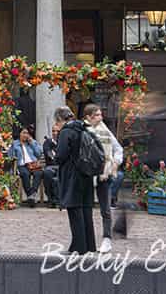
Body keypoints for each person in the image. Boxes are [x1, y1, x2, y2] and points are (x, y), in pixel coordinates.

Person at [54, 106, 96, 254]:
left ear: (60, 119)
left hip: (73, 176)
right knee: (86, 211)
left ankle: (79, 248)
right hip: (87, 174)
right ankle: (89, 245)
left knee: (75, 212)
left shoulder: (66, 132)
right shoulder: (84, 128)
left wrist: (55, 154)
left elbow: (61, 155)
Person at [84, 103, 119, 253]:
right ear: (88, 117)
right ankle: (87, 239)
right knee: (86, 208)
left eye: (100, 114)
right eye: (97, 115)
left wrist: (115, 163)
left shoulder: (106, 131)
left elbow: (118, 149)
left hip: (104, 174)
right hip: (87, 174)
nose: (100, 117)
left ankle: (107, 239)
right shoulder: (84, 130)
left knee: (105, 208)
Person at [8, 126, 44, 208]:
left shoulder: (32, 142)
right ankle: (30, 195)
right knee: (25, 174)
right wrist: (14, 158)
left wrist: (32, 143)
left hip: (33, 164)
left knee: (39, 173)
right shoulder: (15, 143)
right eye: (23, 133)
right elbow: (10, 155)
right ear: (19, 134)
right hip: (22, 165)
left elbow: (39, 154)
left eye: (27, 133)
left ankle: (32, 194)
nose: (25, 135)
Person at [43, 125, 61, 207]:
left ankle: (57, 199)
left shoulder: (63, 142)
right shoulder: (48, 142)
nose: (55, 133)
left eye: (57, 131)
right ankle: (50, 199)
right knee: (47, 173)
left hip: (61, 166)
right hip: (50, 166)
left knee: (57, 179)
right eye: (53, 131)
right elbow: (48, 154)